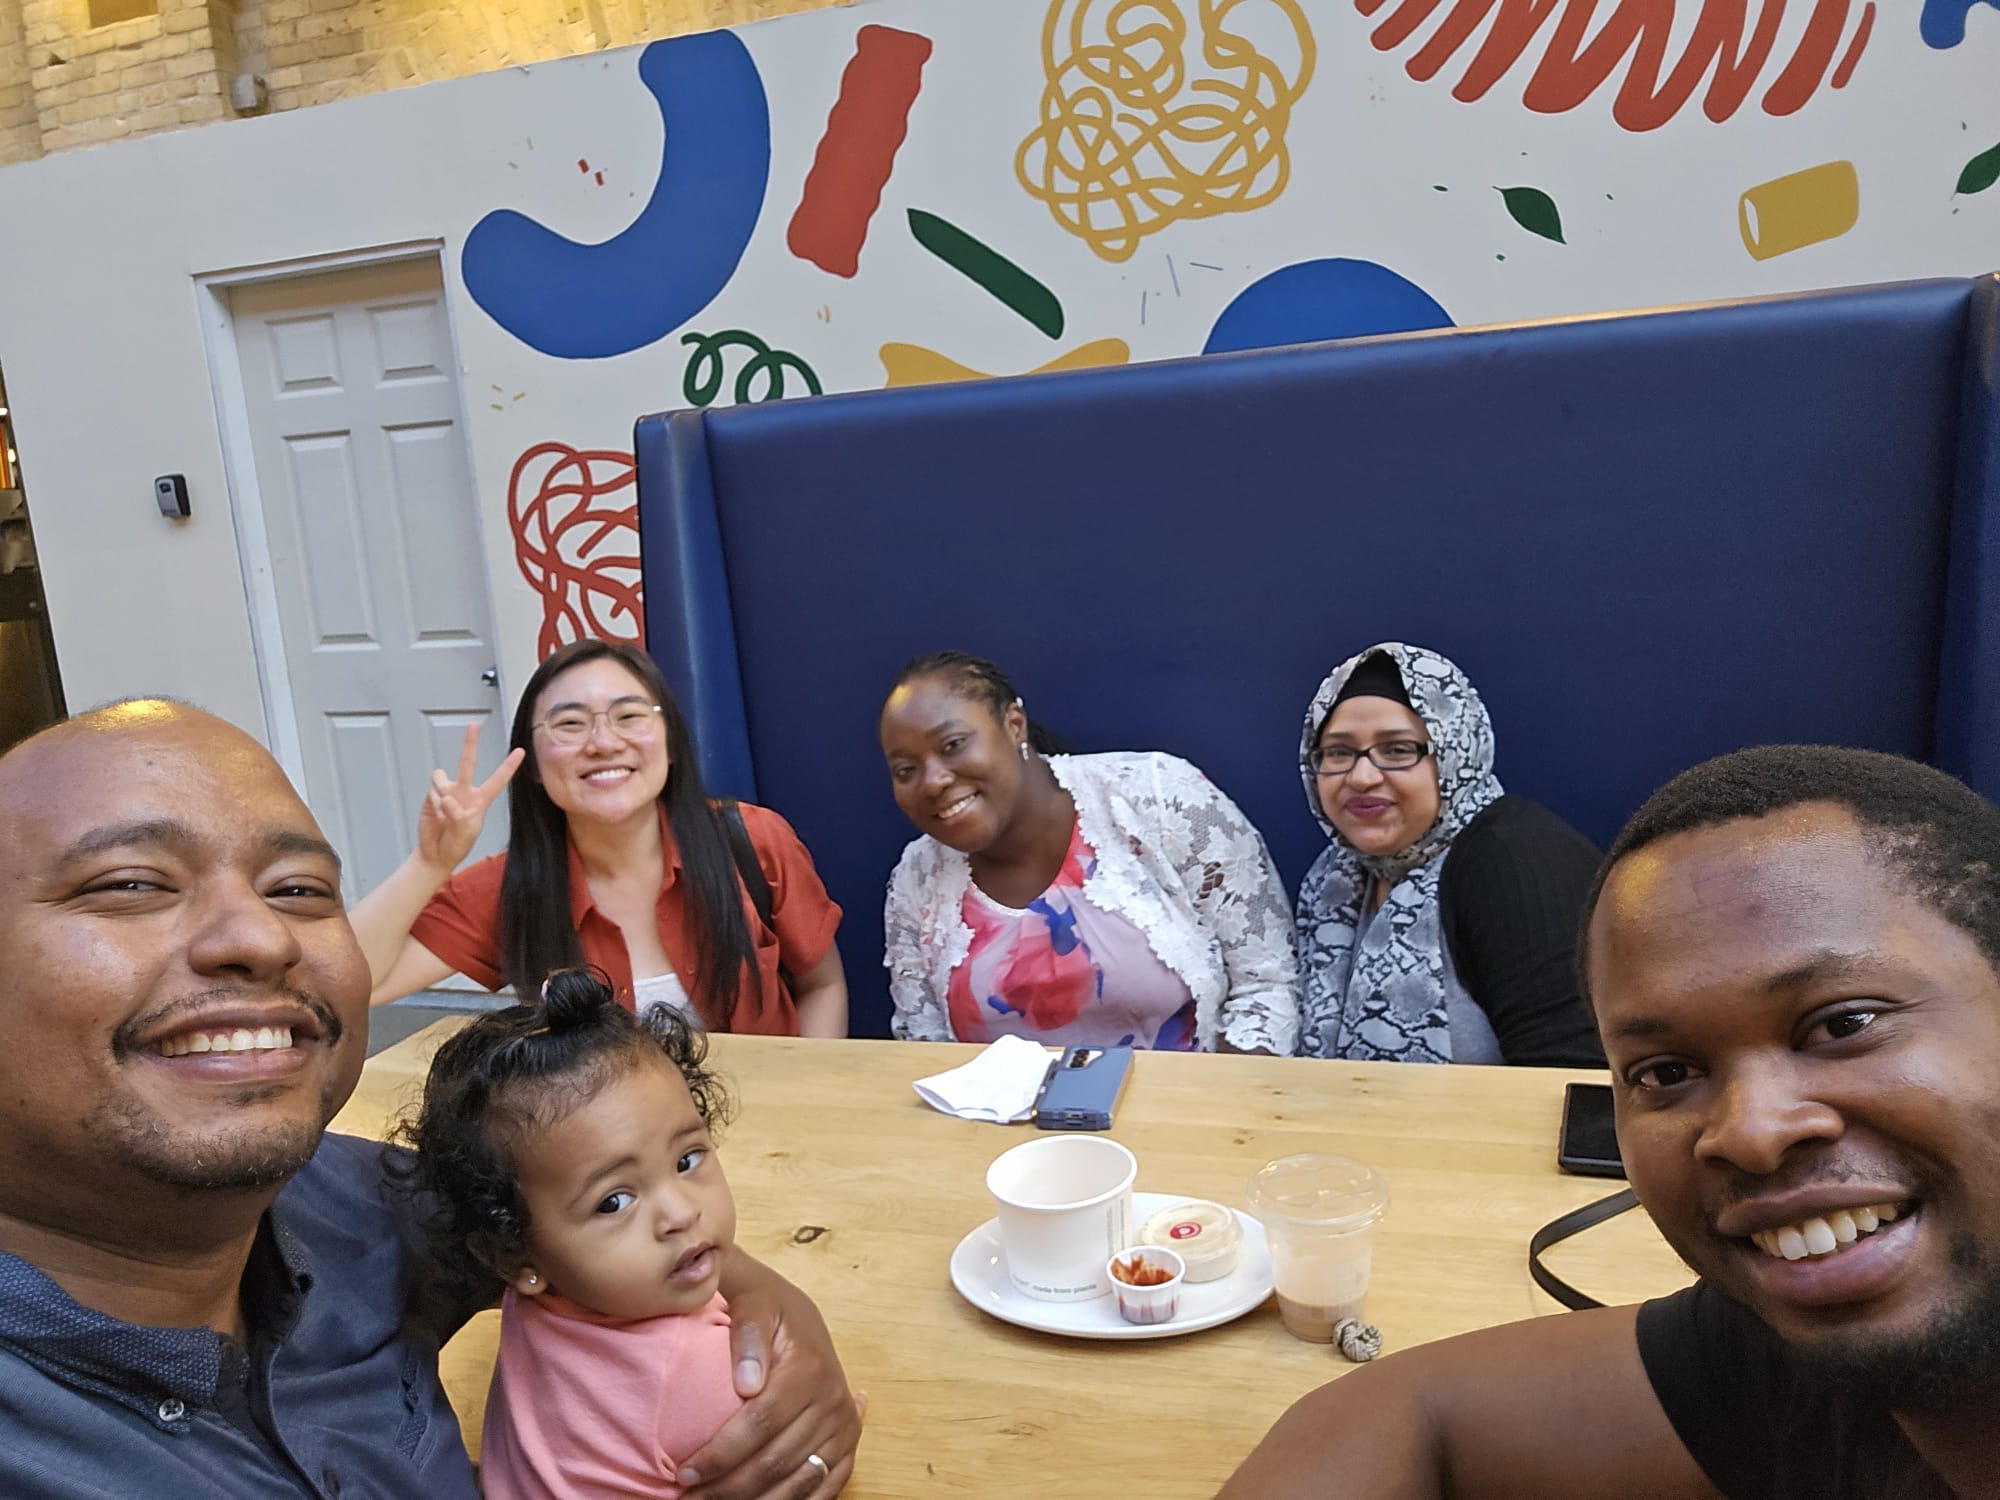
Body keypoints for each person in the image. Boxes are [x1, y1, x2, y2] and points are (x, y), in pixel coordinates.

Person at [0, 699, 863, 1498]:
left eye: (297, 890)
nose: (261, 936)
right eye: (131, 883)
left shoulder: (364, 1203)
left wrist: (776, 1322)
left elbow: (594, 1219)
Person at [1222, 743, 2000, 1499]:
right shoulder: (1798, 1346)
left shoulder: (1505, 859)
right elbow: (1390, 1412)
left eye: (1844, 1024)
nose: (1751, 1132)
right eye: (1666, 1073)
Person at [404, 967, 779, 1499]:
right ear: (514, 1257)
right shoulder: (699, 1372)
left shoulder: (543, 1293)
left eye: (687, 1159)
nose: (680, 1213)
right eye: (614, 1201)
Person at [350, 638, 849, 1037]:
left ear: (671, 742)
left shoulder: (753, 841)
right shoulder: (511, 886)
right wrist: (429, 862)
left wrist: (804, 1107)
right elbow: (352, 985)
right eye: (570, 724)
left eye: (629, 716)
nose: (605, 743)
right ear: (534, 765)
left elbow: (822, 987)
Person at [879, 651, 1298, 1053]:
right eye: (905, 770)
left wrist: (1219, 1096)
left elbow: (1267, 985)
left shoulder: (1158, 798)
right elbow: (924, 1045)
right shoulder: (918, 879)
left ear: (1014, 725)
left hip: (1192, 1099)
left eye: (952, 744)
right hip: (997, 1107)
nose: (932, 781)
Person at [1296, 642, 1603, 1066]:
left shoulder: (1515, 858)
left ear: (1454, 751)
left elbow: (1574, 1073)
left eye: (1397, 749)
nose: (1362, 776)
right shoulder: (1333, 879)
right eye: (1338, 753)